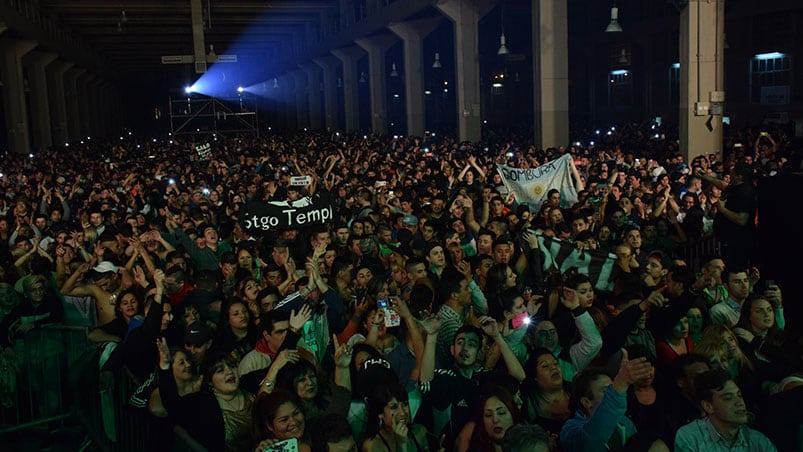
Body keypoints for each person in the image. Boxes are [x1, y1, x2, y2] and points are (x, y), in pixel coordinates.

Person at [157, 345, 255, 452]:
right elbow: (173, 406)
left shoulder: (250, 388)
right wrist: (165, 368)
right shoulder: (203, 405)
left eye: (232, 366)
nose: (229, 371)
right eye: (220, 370)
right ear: (210, 381)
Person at [559, 349, 653, 452]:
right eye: (606, 390)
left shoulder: (625, 422)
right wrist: (621, 382)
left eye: (612, 388)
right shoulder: (570, 430)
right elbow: (588, 444)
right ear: (586, 402)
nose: (612, 393)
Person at [674, 369, 777, 451]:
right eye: (728, 398)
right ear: (708, 406)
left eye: (739, 395)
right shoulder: (690, 437)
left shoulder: (758, 441)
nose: (740, 402)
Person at [362, 380, 429, 452]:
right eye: (394, 407)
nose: (402, 412)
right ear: (380, 414)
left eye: (405, 404)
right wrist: (402, 444)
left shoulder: (420, 431)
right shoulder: (372, 446)